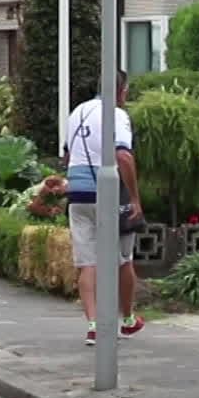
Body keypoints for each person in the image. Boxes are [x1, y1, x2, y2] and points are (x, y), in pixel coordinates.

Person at [60, 71, 144, 345]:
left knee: (87, 262)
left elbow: (68, 155)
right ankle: (128, 319)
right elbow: (123, 156)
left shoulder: (77, 112)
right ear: (122, 91)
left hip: (77, 193)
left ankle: (94, 325)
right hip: (107, 193)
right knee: (123, 258)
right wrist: (134, 198)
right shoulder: (116, 115)